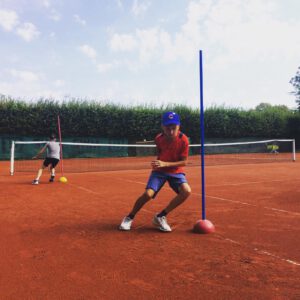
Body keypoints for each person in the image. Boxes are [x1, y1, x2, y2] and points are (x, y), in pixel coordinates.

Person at [119, 111, 191, 232]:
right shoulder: (159, 139)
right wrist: (158, 163)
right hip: (160, 171)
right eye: (168, 128)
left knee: (186, 191)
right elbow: (161, 153)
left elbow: (184, 162)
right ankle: (129, 217)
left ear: (179, 126)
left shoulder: (184, 140)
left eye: (174, 128)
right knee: (148, 194)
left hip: (176, 171)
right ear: (162, 127)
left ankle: (160, 216)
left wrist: (165, 163)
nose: (171, 131)